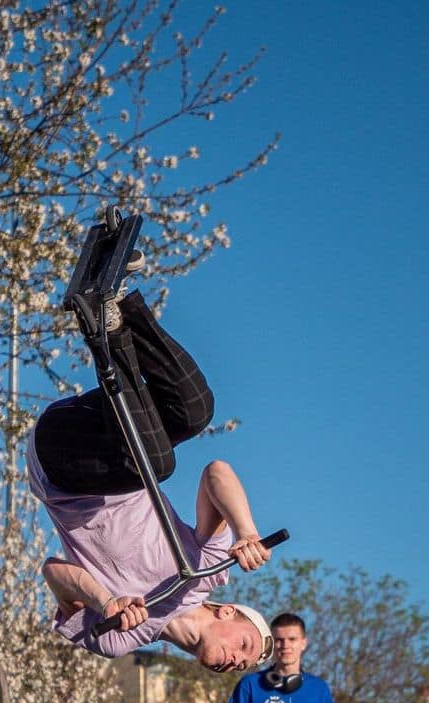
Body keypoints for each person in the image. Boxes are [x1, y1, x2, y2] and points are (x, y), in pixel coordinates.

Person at [28, 278, 274, 672]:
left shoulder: (121, 636)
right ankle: (122, 304)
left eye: (241, 665)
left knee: (152, 464)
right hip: (95, 428)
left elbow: (53, 571)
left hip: (61, 468)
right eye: (244, 647)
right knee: (194, 413)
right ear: (228, 612)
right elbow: (216, 473)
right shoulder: (205, 569)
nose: (236, 661)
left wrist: (104, 601)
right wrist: (246, 532)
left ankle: (105, 332)